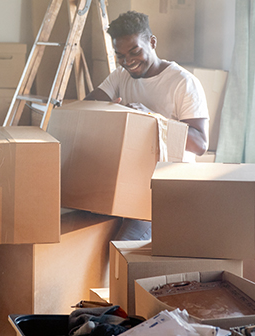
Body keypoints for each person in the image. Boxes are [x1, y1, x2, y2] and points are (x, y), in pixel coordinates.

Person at [85, 11, 210, 240]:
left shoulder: (183, 82)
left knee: (122, 246)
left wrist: (152, 118)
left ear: (152, 42)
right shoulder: (120, 75)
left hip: (166, 188)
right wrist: (111, 110)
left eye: (135, 52)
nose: (128, 61)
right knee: (82, 231)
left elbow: (200, 143)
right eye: (120, 55)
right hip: (128, 181)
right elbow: (88, 106)